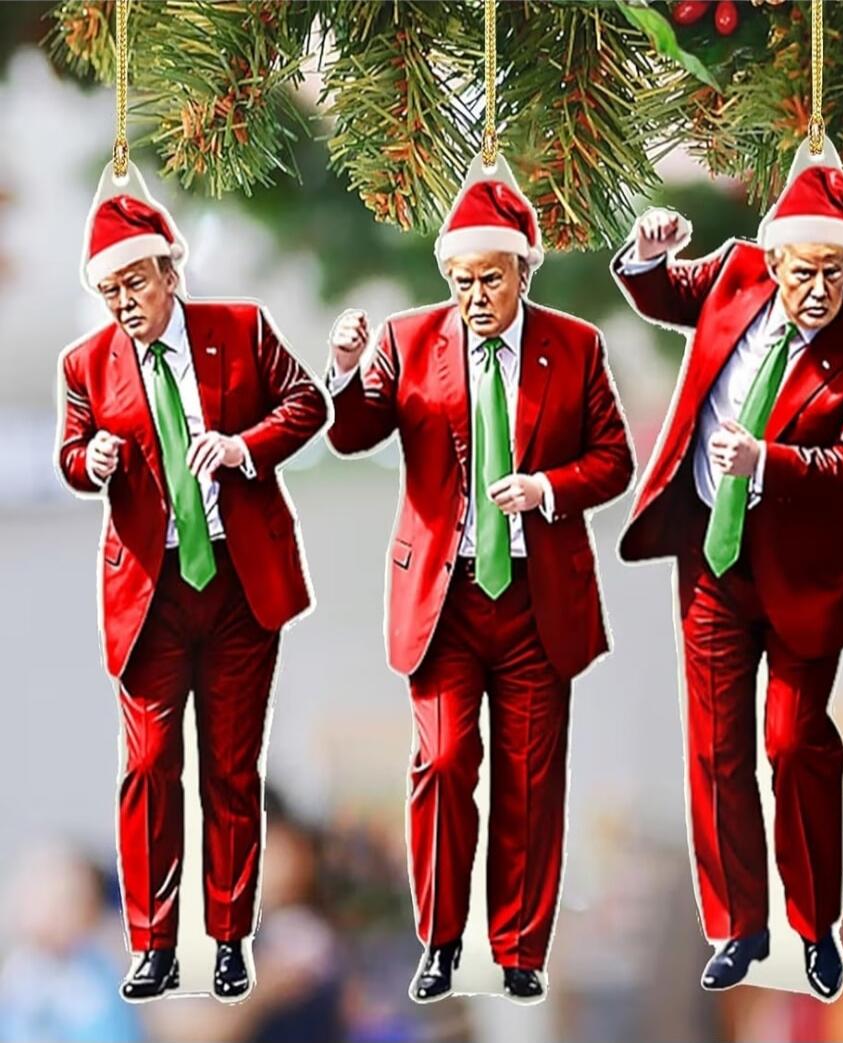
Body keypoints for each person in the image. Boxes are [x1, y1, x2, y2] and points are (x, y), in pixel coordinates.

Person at [325, 168, 634, 1003]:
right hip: (444, 596)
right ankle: (440, 934)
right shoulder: (409, 339)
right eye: (461, 280)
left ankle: (521, 945)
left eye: (490, 277)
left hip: (537, 596)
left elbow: (615, 460)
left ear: (524, 270)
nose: (474, 295)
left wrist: (547, 489)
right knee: (445, 757)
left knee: (532, 776)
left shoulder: (574, 347)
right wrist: (347, 369)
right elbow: (355, 433)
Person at [611, 145, 843, 999]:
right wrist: (647, 256)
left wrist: (764, 460)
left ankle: (816, 924)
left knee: (792, 744)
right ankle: (737, 923)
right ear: (774, 257)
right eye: (805, 269)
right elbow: (665, 297)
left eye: (837, 273)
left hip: (801, 579)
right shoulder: (735, 275)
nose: (818, 289)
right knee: (715, 748)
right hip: (711, 558)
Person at [56, 192, 329, 1001]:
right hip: (152, 588)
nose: (124, 305)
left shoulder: (240, 330)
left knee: (231, 766)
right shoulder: (85, 363)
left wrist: (243, 448)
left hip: (239, 581)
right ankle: (152, 941)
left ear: (171, 270)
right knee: (146, 764)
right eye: (110, 293)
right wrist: (92, 461)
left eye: (135, 285)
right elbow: (71, 453)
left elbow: (305, 403)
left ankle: (231, 934)